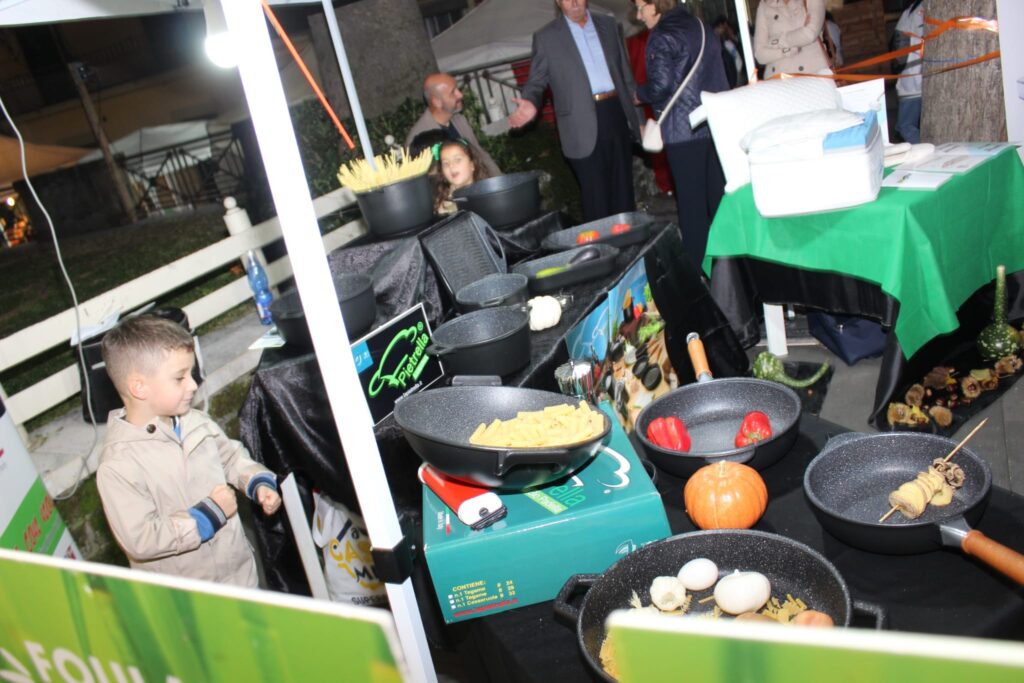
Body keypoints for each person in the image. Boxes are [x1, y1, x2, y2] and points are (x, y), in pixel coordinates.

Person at [96, 315, 282, 587]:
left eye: (191, 374)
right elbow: (141, 538)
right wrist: (208, 516)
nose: (193, 385)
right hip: (189, 600)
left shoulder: (194, 422)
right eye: (180, 377)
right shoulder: (118, 465)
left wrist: (256, 479)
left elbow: (229, 456)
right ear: (139, 387)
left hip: (240, 578)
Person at [508, 0, 641, 222]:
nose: (574, 1)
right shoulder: (547, 37)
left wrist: (639, 120)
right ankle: (604, 252)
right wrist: (530, 101)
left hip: (615, 112)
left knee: (624, 193)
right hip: (579, 126)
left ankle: (634, 250)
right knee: (596, 199)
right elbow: (536, 81)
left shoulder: (608, 25)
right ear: (558, 2)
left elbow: (625, 76)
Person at [635, 0, 729, 271]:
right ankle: (733, 276)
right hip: (713, 125)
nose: (639, 16)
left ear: (656, 4)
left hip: (683, 132)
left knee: (692, 211)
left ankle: (700, 277)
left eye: (641, 7)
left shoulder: (662, 35)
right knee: (719, 206)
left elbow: (661, 86)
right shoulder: (702, 26)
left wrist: (639, 94)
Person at [406, 73, 501, 177]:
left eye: (458, 89)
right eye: (453, 92)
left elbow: (480, 156)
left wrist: (500, 182)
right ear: (437, 102)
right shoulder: (420, 138)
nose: (460, 95)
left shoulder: (460, 120)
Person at [753, 0, 831, 78]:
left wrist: (775, 41)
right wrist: (787, 51)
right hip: (779, 78)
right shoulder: (765, 5)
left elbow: (810, 34)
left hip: (812, 74)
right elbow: (760, 55)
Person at [433, 138, 492, 215]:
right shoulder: (443, 204)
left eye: (457, 160)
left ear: (472, 164)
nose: (451, 166)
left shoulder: (489, 194)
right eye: (446, 163)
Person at [894, 0, 924, 143]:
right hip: (921, 76)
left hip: (912, 80)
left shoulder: (911, 12)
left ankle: (927, 155)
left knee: (905, 125)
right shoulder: (918, 9)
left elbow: (900, 51)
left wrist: (897, 67)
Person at [713, 16, 746, 88]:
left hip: (735, 74)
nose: (726, 29)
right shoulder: (721, 43)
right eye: (724, 27)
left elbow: (737, 58)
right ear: (720, 26)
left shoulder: (727, 43)